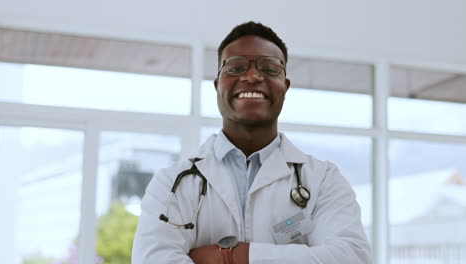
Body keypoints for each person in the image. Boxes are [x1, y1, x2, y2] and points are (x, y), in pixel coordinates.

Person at [132, 21, 372, 264]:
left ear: (285, 87)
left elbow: (353, 257)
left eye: (269, 68)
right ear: (218, 86)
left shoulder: (323, 180)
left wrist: (234, 255)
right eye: (235, 68)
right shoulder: (173, 182)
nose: (253, 76)